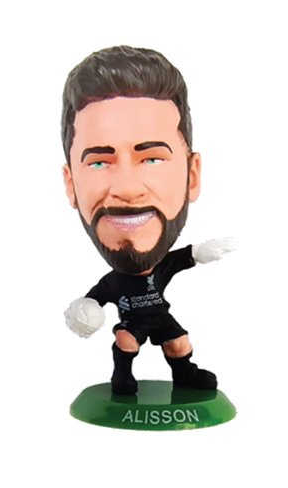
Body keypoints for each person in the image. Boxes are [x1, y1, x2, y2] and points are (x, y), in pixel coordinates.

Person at [61, 45, 234, 395]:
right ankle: (122, 376)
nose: (127, 189)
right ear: (71, 185)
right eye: (99, 162)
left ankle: (184, 373)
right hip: (133, 324)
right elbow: (96, 298)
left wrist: (204, 252)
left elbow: (186, 259)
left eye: (152, 159)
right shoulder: (113, 283)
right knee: (126, 341)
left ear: (192, 177)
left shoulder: (164, 267)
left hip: (160, 317)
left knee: (180, 344)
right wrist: (86, 310)